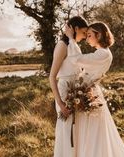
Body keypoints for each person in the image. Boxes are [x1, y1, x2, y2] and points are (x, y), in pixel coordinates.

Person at [64, 22, 124, 157]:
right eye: (86, 35)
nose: (87, 39)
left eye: (89, 35)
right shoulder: (100, 53)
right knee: (88, 131)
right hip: (88, 92)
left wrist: (71, 38)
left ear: (98, 35)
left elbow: (77, 59)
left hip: (90, 94)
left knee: (94, 133)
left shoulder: (103, 54)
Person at [49, 16, 88, 157]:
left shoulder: (73, 45)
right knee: (66, 131)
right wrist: (60, 103)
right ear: (75, 29)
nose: (85, 37)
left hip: (75, 91)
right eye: (84, 33)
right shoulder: (62, 46)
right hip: (65, 92)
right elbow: (52, 76)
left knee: (77, 131)